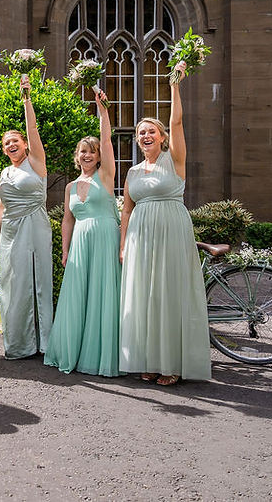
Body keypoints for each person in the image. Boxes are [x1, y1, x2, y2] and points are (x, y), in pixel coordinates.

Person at [119, 62, 211, 385]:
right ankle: (149, 359)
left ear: (162, 137)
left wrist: (174, 84)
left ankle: (172, 363)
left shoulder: (175, 160)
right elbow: (127, 211)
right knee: (145, 296)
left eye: (151, 131)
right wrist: (123, 245)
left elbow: (178, 120)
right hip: (141, 235)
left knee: (169, 293)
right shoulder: (131, 173)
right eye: (140, 132)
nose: (145, 135)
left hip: (171, 229)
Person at [44, 91, 122, 376]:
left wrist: (103, 111)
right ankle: (73, 351)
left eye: (92, 151)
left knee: (103, 295)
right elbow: (67, 220)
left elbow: (107, 140)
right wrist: (65, 250)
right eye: (83, 151)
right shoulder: (70, 187)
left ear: (99, 156)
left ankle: (101, 356)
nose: (87, 154)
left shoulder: (106, 175)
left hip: (104, 239)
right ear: (77, 157)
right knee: (78, 296)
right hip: (79, 244)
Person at [0, 78, 53, 359]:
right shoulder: (4, 172)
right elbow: (0, 207)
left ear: (25, 144)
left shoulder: (36, 162)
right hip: (9, 231)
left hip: (35, 223)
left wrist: (26, 99)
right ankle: (19, 341)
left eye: (15, 140)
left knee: (38, 278)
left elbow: (33, 128)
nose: (11, 145)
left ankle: (43, 342)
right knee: (12, 282)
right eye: (6, 143)